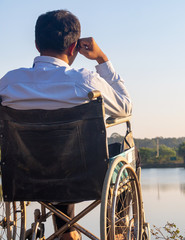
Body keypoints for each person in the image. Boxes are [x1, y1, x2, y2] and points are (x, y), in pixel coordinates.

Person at [0, 10, 132, 240]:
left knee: (52, 153)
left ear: (36, 44)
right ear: (73, 48)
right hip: (83, 176)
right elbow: (125, 108)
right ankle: (118, 230)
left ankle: (67, 231)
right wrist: (102, 59)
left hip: (24, 176)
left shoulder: (9, 83)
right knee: (124, 150)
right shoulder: (85, 81)